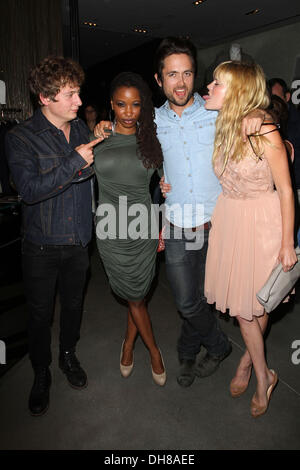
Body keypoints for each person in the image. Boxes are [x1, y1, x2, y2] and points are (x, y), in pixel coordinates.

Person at [95, 37, 264, 388]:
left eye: (187, 73)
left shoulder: (217, 110)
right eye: (172, 74)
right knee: (187, 302)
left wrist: (261, 115)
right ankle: (218, 346)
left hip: (219, 224)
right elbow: (123, 135)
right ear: (159, 80)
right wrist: (102, 127)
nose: (181, 82)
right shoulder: (150, 122)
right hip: (177, 227)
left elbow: (257, 115)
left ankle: (187, 352)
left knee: (203, 299)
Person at [5, 56, 102, 416]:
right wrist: (75, 163)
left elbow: (87, 172)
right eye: (71, 95)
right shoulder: (21, 138)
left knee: (74, 307)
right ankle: (41, 371)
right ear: (45, 98)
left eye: (78, 93)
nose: (79, 102)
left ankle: (67, 355)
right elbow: (29, 190)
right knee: (40, 315)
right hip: (41, 245)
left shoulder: (78, 129)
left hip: (78, 240)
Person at [204, 61, 297, 417]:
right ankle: (252, 360)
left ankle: (261, 375)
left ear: (238, 91)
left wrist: (287, 242)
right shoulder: (224, 124)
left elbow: (287, 190)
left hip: (262, 223)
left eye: (216, 83)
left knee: (248, 310)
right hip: (231, 221)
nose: (207, 88)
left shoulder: (264, 129)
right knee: (254, 304)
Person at [93, 72, 166, 386]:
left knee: (137, 297)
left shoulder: (152, 140)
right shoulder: (99, 139)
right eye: (121, 104)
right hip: (110, 229)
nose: (127, 111)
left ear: (143, 107)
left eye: (135, 105)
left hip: (143, 227)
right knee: (136, 298)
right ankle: (150, 350)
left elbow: (169, 187)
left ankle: (132, 346)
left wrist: (163, 227)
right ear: (112, 105)